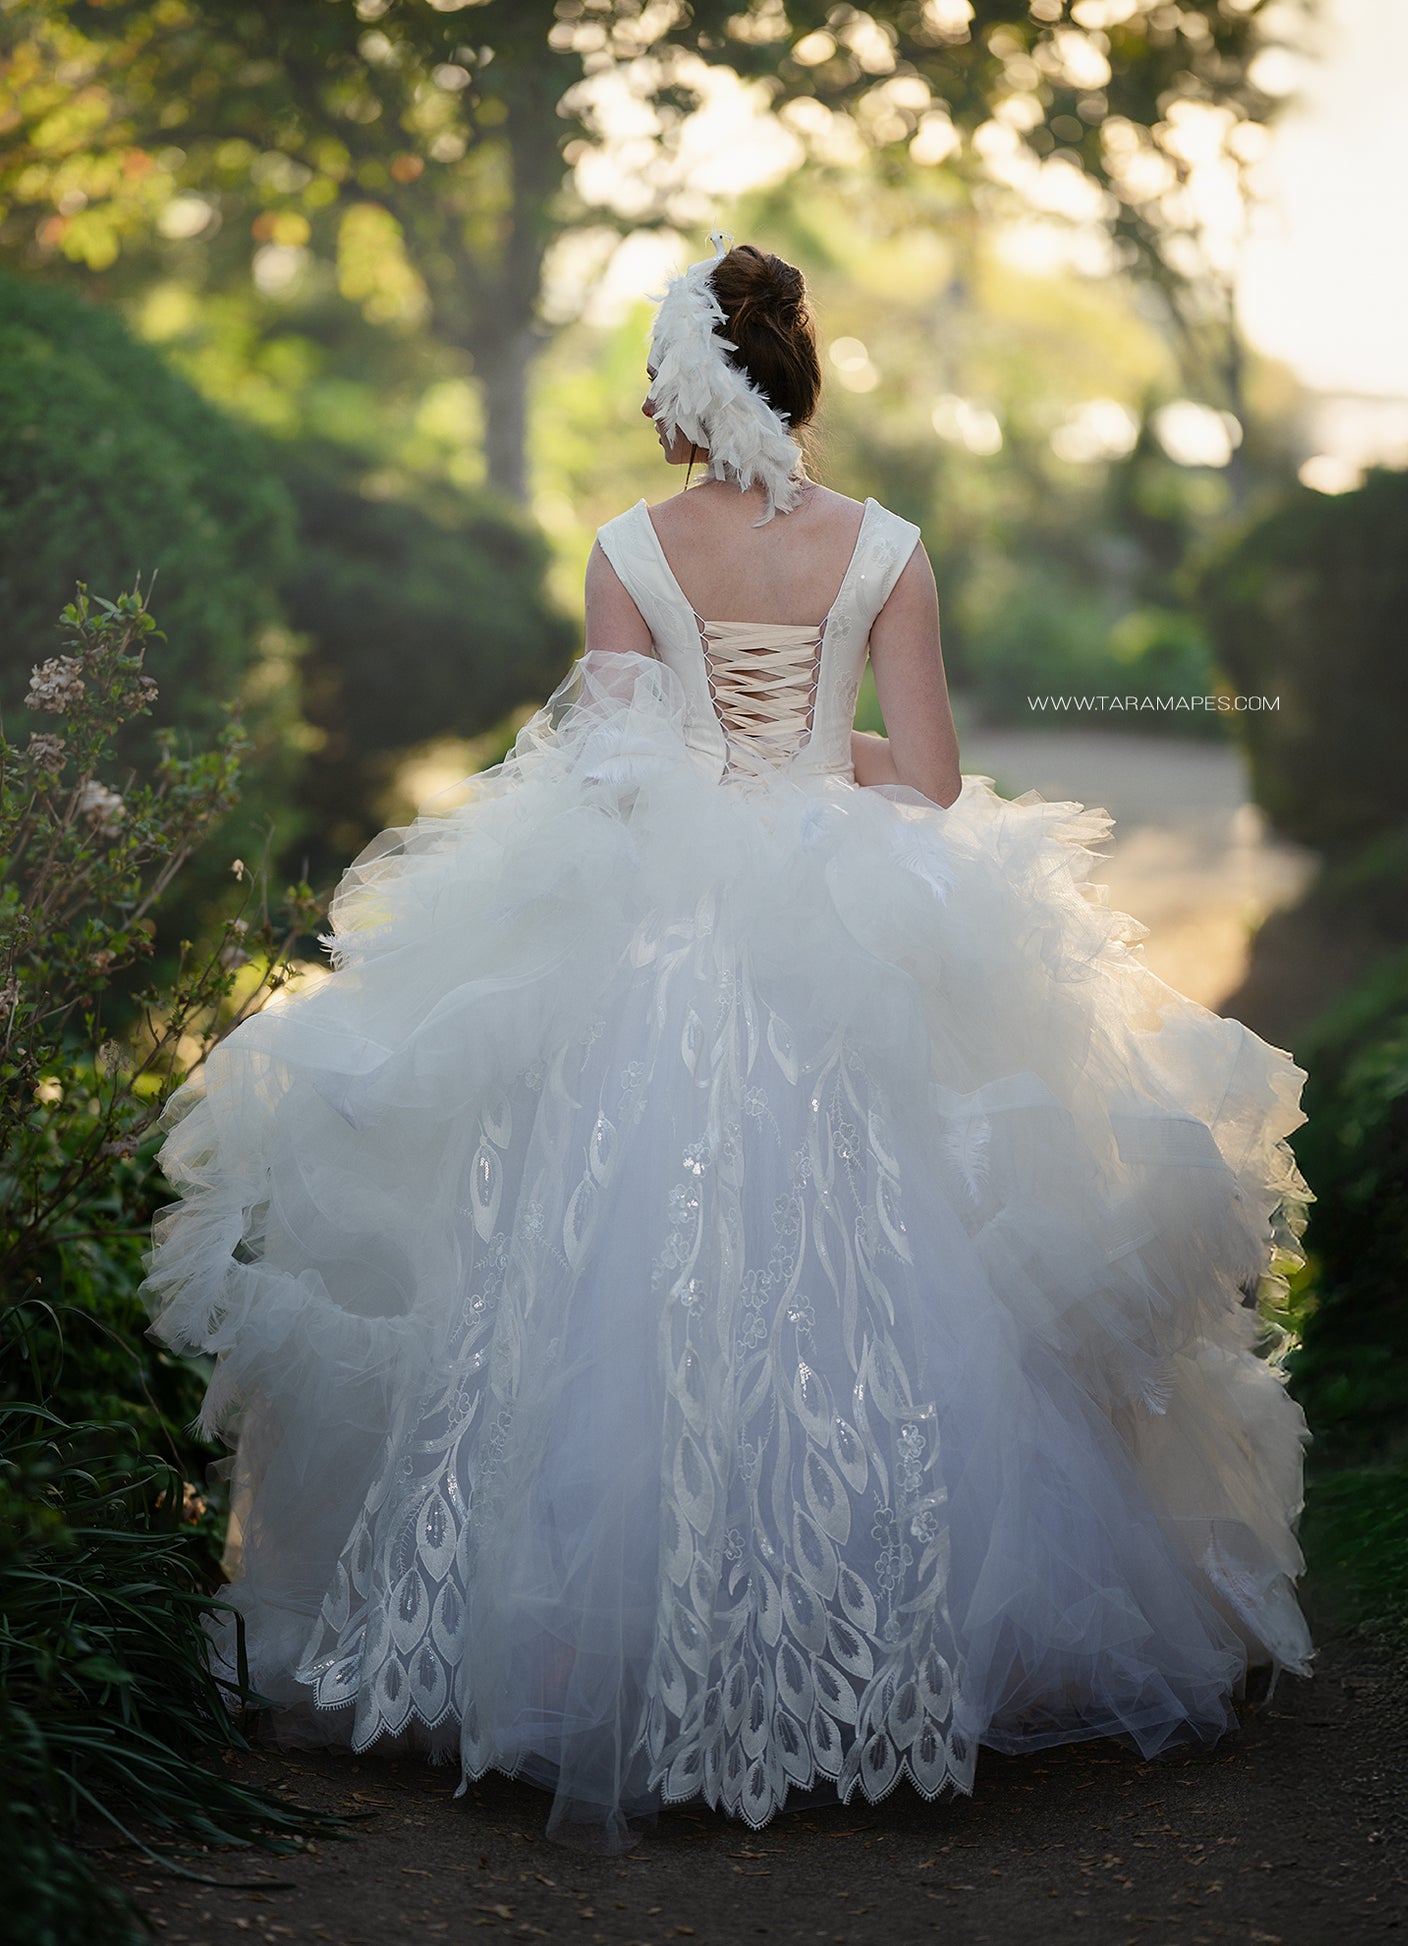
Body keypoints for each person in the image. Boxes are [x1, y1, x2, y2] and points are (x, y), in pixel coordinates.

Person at [143, 234, 1314, 1857]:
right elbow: (933, 782)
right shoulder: (886, 546)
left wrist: (712, 771)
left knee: (611, 1267)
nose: (645, 405)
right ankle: (889, 1639)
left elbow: (618, 775)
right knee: (899, 1258)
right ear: (796, 375)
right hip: (847, 918)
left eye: (654, 377)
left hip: (668, 935)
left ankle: (591, 1644)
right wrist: (813, 754)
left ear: (697, 387)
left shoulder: (628, 546)